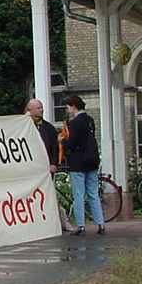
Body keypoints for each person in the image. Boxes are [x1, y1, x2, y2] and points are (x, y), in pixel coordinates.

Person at [59, 95, 104, 236]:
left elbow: (71, 143)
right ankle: (100, 224)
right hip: (92, 161)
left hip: (78, 162)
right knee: (93, 193)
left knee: (78, 194)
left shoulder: (75, 123)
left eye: (67, 107)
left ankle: (81, 226)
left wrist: (61, 141)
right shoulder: (90, 120)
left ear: (73, 106)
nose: (67, 110)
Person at [25, 98, 71, 232]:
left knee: (48, 194)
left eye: (41, 107)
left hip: (46, 169)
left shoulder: (48, 128)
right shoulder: (24, 126)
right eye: (38, 108)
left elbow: (55, 148)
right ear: (30, 110)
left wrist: (54, 163)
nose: (41, 110)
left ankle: (62, 220)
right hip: (30, 168)